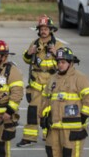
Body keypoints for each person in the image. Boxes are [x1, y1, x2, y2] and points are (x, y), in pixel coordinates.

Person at [38, 47, 89, 157]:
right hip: (54, 124)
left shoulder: (80, 78)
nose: (60, 65)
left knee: (70, 152)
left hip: (73, 125)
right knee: (52, 150)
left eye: (63, 62)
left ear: (70, 63)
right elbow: (45, 99)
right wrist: (43, 116)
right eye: (58, 62)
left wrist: (83, 118)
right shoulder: (53, 79)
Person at [17, 15, 63, 148]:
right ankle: (29, 138)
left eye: (46, 28)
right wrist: (29, 53)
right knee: (32, 112)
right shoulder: (34, 43)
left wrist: (55, 53)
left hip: (51, 84)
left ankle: (48, 136)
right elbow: (26, 59)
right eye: (41, 28)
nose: (43, 31)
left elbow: (63, 63)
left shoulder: (57, 45)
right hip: (36, 84)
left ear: (51, 30)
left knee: (50, 112)